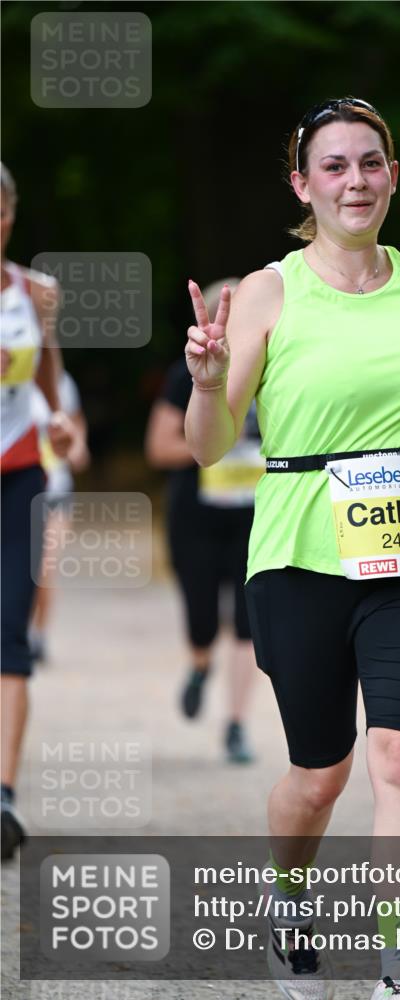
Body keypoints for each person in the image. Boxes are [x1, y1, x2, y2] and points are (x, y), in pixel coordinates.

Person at [184, 99, 400, 1000]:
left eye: (370, 163)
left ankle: (398, 972)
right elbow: (209, 444)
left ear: (392, 176)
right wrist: (209, 384)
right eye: (334, 166)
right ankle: (290, 904)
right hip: (298, 555)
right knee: (317, 777)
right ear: (302, 184)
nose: (354, 181)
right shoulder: (268, 292)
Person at [145, 279, 261, 763]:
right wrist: (212, 443)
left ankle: (236, 724)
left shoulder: (269, 371)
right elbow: (159, 448)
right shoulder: (183, 375)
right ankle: (198, 665)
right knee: (203, 620)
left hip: (255, 516)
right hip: (195, 517)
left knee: (249, 623)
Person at [1, 163, 74, 859]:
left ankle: (3, 799)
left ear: (10, 215)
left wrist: (58, 420)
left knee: (11, 633)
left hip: (19, 477)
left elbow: (47, 368)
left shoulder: (34, 292)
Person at [29, 368, 90, 664]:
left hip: (55, 491)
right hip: (14, 491)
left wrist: (77, 446)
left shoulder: (63, 382)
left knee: (44, 567)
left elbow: (76, 422)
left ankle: (38, 636)